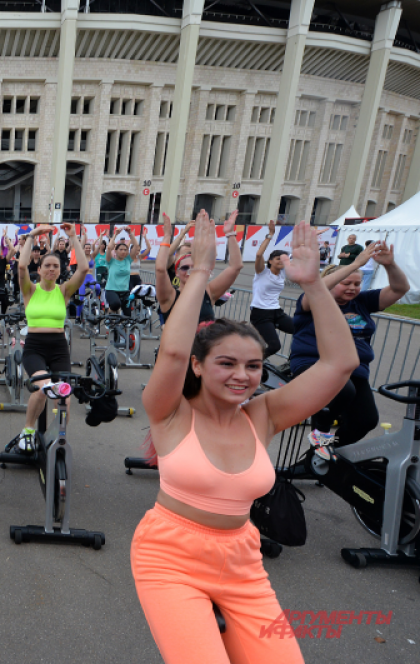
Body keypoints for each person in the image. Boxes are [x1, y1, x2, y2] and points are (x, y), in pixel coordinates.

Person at [134, 218, 358, 664]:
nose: (243, 376)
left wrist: (313, 284)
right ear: (198, 366)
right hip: (170, 557)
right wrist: (199, 273)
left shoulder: (264, 414)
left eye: (253, 366)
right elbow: (174, 351)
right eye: (227, 363)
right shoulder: (169, 411)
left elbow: (340, 364)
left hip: (241, 561)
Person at [290, 239, 409, 455]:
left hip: (354, 369)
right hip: (315, 365)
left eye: (357, 283)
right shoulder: (313, 301)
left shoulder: (362, 302)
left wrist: (390, 265)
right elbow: (315, 289)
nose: (353, 288)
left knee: (366, 420)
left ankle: (327, 454)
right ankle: (321, 435)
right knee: (344, 391)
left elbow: (401, 288)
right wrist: (356, 264)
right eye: (346, 283)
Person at [13, 224, 89, 451]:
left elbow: (83, 269)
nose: (51, 269)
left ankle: (59, 436)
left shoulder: (64, 290)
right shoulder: (30, 290)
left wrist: (74, 237)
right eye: (47, 265)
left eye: (56, 266)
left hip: (58, 346)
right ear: (41, 269)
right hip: (35, 346)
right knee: (44, 387)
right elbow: (21, 265)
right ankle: (27, 430)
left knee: (64, 396)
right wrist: (32, 237)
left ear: (59, 270)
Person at [155, 211, 240, 326]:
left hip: (205, 344)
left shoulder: (208, 293)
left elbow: (235, 267)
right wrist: (167, 237)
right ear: (177, 272)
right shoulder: (170, 297)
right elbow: (160, 269)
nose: (190, 271)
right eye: (185, 268)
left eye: (193, 267)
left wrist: (230, 234)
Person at [249, 219, 293, 358]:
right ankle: (253, 363)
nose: (281, 261)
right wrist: (271, 234)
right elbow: (258, 255)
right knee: (274, 346)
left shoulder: (283, 272)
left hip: (276, 312)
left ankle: (295, 359)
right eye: (277, 258)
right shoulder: (262, 272)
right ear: (270, 261)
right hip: (260, 313)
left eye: (283, 259)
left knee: (300, 329)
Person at [103, 225, 140, 313]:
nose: (123, 251)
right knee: (116, 304)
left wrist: (130, 233)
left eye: (125, 250)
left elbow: (136, 245)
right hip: (111, 290)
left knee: (128, 315)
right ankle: (108, 312)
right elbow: (109, 247)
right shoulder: (110, 261)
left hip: (125, 291)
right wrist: (115, 234)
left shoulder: (128, 260)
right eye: (121, 249)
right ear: (115, 251)